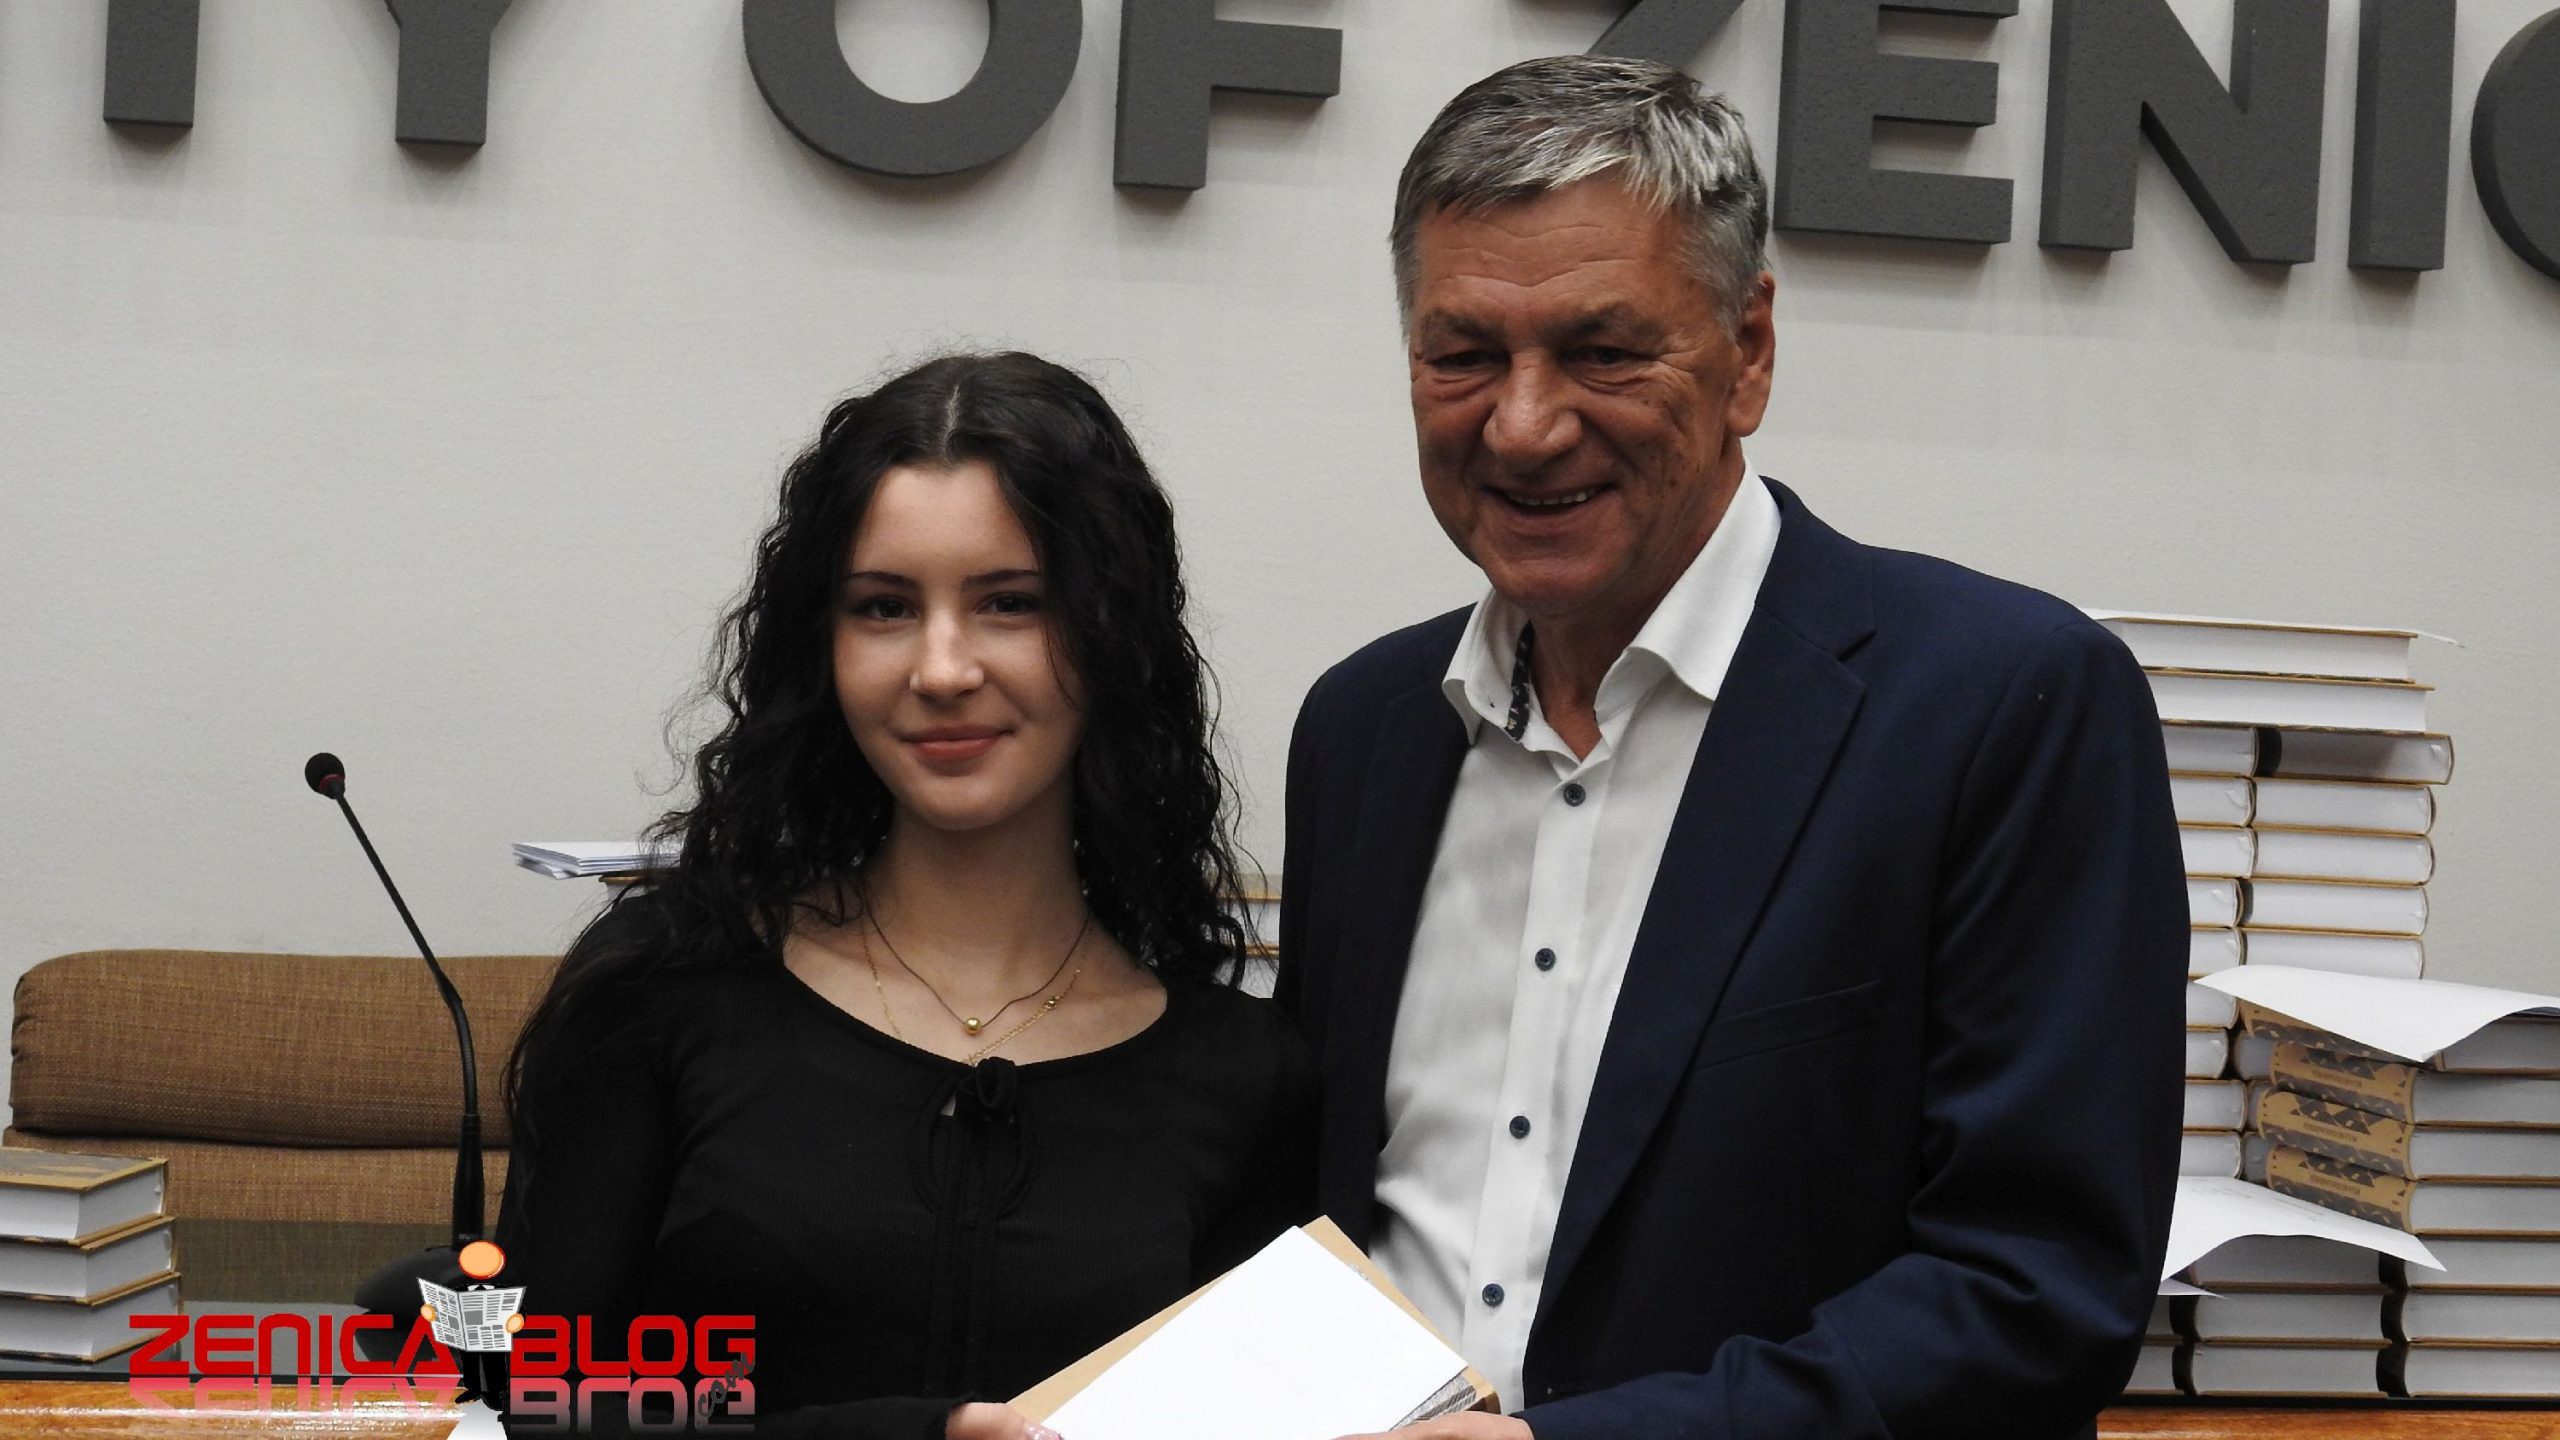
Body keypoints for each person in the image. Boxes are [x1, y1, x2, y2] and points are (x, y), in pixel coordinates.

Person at [1279, 57, 2187, 1439]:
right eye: (1463, 355)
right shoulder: (1361, 733)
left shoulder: (2004, 708)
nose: (1523, 425)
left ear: (1748, 351)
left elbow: (2034, 1293)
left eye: (1602, 352)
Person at [497, 352, 1315, 1439]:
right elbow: (535, 1402)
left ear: (1111, 634)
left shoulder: (1244, 1077)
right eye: (883, 608)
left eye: (1010, 604)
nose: (941, 669)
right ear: (821, 646)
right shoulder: (658, 991)